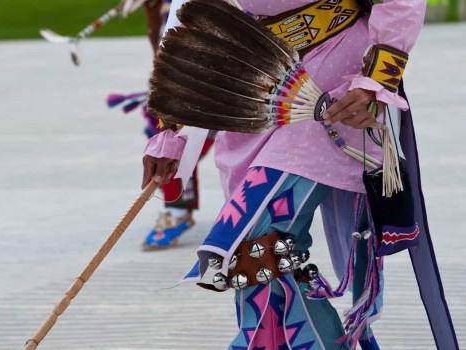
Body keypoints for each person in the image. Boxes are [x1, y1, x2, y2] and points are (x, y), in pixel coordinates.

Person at [142, 0, 458, 349]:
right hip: (252, 83)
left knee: (252, 244)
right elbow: (191, 10)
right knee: (257, 258)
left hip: (334, 83)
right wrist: (171, 129)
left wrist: (377, 80)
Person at [110, 0, 214, 251]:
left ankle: (261, 212)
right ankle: (178, 209)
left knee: (189, 144)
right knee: (171, 143)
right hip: (173, 79)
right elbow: (158, 41)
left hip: (214, 78)